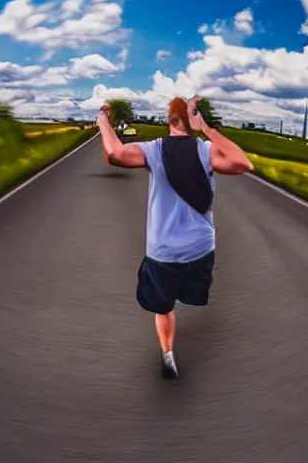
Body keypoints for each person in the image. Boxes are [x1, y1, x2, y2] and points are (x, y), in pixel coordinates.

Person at [95, 97, 253, 378]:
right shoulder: (205, 149)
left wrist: (103, 122)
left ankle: (168, 352)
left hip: (164, 251)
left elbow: (115, 154)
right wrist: (206, 128)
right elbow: (243, 164)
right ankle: (183, 292)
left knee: (163, 307)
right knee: (185, 289)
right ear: (191, 121)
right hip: (200, 250)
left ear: (169, 119)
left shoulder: (154, 149)